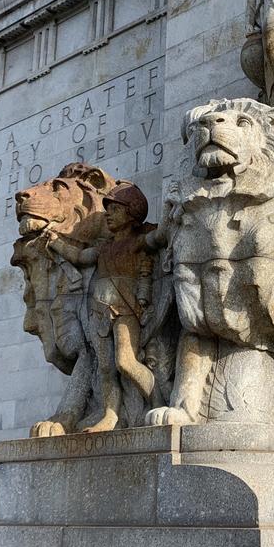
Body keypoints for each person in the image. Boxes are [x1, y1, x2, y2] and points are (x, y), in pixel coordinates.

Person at [44, 181, 156, 432]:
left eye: (115, 209)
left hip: (125, 308)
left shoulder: (138, 242)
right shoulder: (104, 247)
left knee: (125, 361)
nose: (108, 214)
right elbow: (80, 258)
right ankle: (109, 415)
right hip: (99, 310)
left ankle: (157, 402)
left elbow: (160, 238)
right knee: (105, 367)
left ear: (132, 213)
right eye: (107, 209)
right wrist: (54, 241)